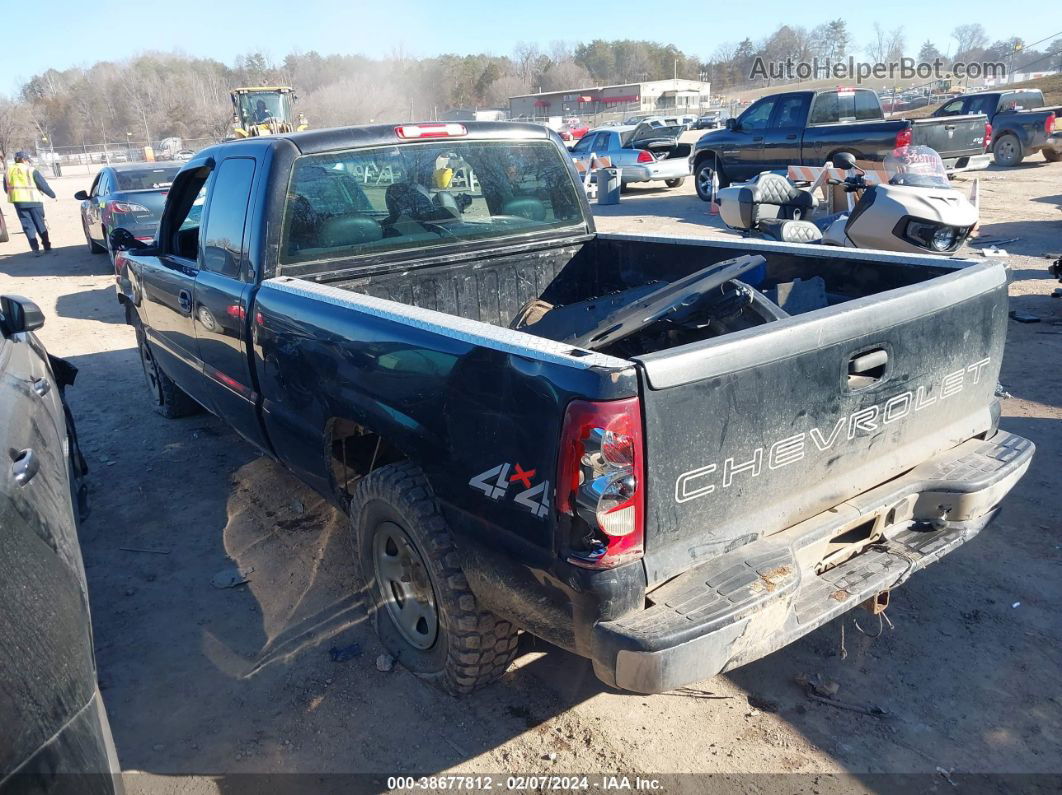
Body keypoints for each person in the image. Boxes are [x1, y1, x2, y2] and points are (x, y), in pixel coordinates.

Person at [4, 151, 56, 256]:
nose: (28, 162)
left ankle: (35, 249)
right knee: (40, 224)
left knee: (28, 226)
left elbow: (6, 188)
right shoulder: (31, 170)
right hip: (34, 201)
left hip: (19, 203)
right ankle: (47, 247)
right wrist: (52, 195)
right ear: (24, 160)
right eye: (28, 160)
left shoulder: (8, 171)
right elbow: (42, 185)